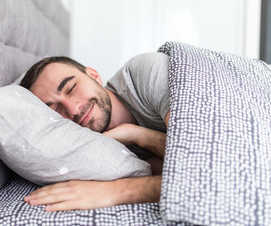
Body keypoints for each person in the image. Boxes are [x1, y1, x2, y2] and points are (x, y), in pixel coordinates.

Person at [21, 52, 171, 212]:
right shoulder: (105, 155)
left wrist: (118, 190)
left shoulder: (145, 73)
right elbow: (186, 175)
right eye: (56, 110)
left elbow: (199, 163)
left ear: (93, 75)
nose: (73, 109)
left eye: (71, 88)